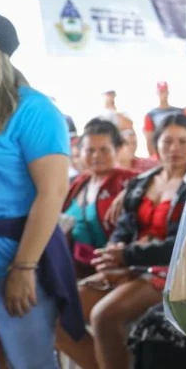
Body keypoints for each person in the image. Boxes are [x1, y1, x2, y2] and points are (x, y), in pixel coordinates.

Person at [0, 5, 83, 369]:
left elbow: (52, 192)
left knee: (34, 368)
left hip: (13, 258)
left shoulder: (35, 110)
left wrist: (24, 267)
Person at [56, 115, 186, 369]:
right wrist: (112, 256)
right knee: (59, 313)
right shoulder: (142, 182)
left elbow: (185, 244)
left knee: (104, 316)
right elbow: (124, 227)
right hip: (132, 264)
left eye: (183, 141)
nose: (174, 148)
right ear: (155, 143)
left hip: (172, 271)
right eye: (167, 140)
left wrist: (127, 257)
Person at [62, 119, 136, 278]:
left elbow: (160, 176)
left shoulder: (130, 181)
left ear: (117, 150)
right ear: (80, 152)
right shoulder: (78, 184)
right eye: (90, 150)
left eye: (104, 150)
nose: (96, 155)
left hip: (112, 271)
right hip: (73, 271)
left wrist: (129, 191)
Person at [143, 81, 183, 159]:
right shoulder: (151, 115)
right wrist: (152, 156)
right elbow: (149, 137)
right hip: (160, 150)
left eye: (164, 92)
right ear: (157, 93)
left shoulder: (179, 112)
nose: (163, 95)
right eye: (161, 92)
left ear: (168, 93)